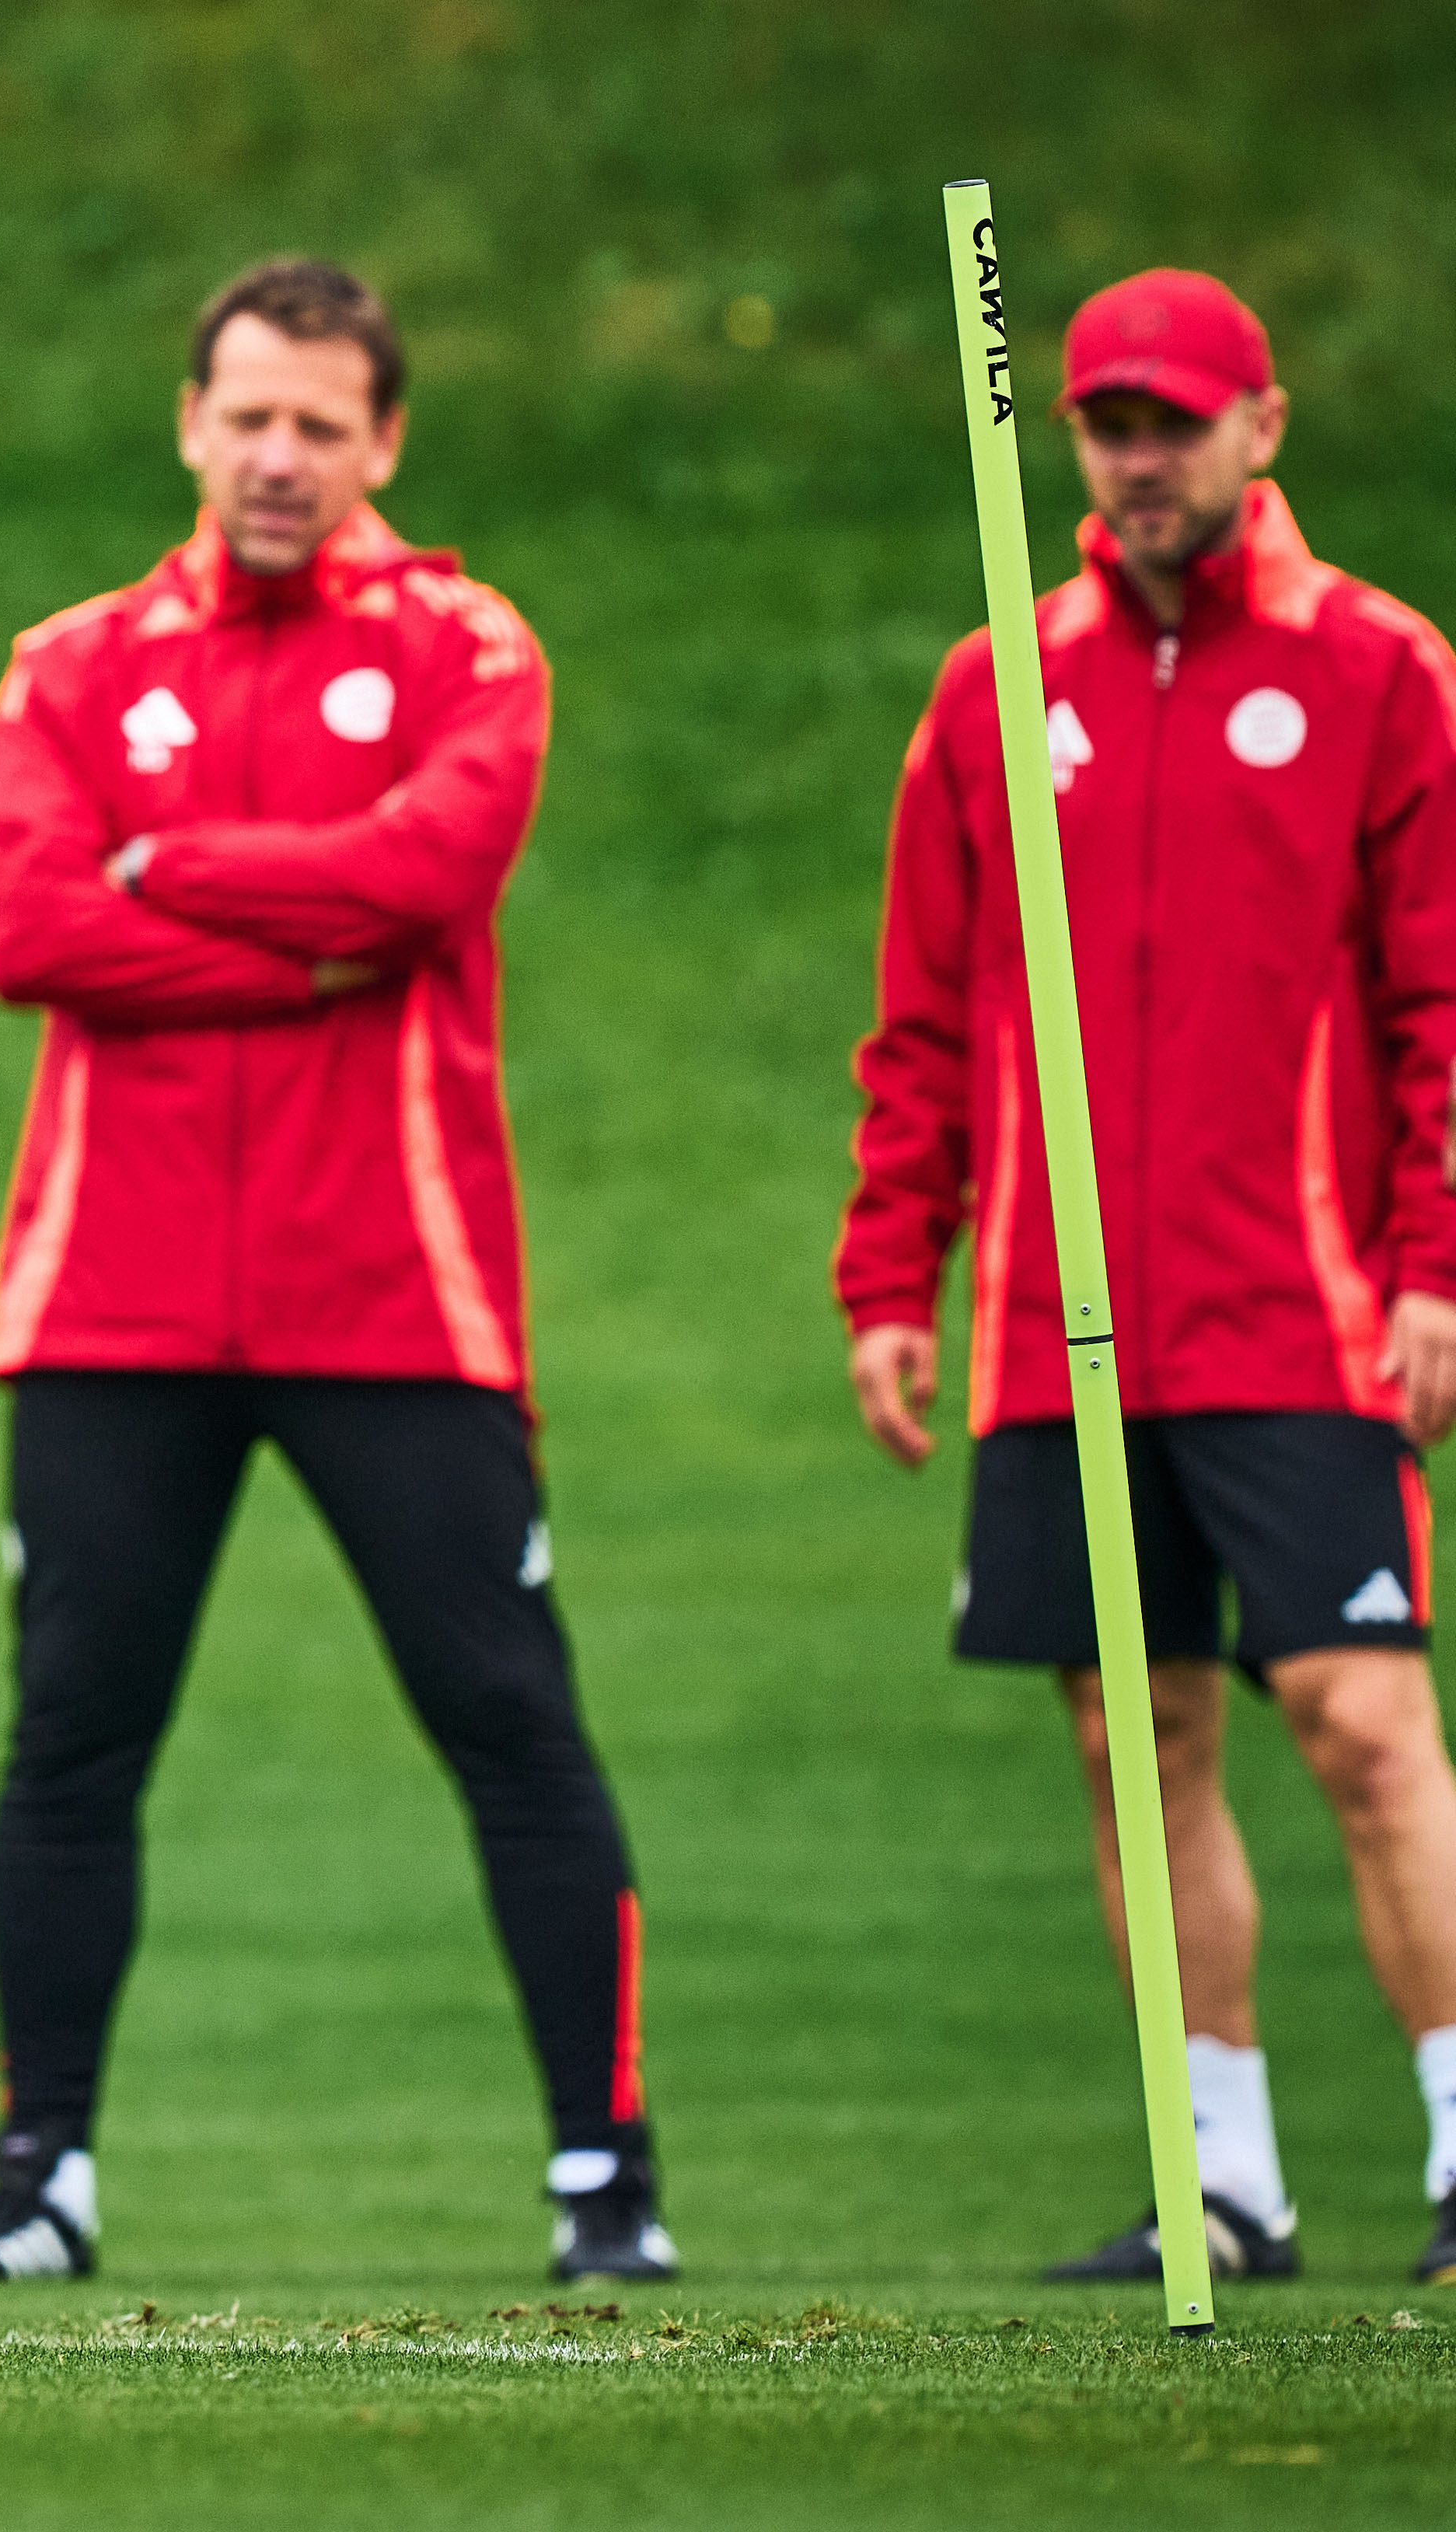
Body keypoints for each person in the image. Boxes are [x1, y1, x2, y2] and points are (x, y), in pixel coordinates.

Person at [0, 258, 671, 2289]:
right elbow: (26, 929)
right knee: (70, 1733)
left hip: (389, 1289)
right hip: (108, 1298)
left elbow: (426, 878)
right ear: (185, 419)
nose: (275, 457)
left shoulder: (467, 646)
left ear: (381, 440)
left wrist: (176, 869)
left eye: (318, 423)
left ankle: (605, 2176)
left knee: (505, 1716)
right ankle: (34, 2172)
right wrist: (301, 942)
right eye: (243, 415)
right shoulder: (65, 662)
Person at [837, 268, 1456, 2290]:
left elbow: (1442, 1000)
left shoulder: (1376, 671)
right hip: (1048, 1316)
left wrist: (1435, 1263)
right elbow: (923, 1015)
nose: (1135, 457)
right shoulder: (991, 687)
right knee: (1132, 1732)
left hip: (1292, 1301)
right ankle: (1224, 2182)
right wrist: (888, 1271)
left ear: (1259, 428)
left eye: (1173, 422)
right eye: (1104, 423)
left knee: (1356, 1719)